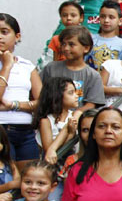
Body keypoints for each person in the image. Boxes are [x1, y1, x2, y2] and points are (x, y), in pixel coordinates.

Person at [0, 14, 43, 168]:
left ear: (17, 36)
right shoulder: (7, 65)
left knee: (29, 178)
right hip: (1, 130)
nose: (0, 37)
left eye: (4, 32)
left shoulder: (27, 65)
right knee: (7, 180)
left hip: (26, 132)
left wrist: (14, 105)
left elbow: (41, 102)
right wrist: (6, 66)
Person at [41, 26, 106, 112]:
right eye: (63, 44)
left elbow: (92, 104)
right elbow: (39, 93)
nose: (66, 48)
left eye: (71, 44)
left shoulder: (92, 75)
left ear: (86, 48)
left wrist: (75, 114)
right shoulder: (51, 68)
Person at [33, 77, 80, 164]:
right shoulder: (46, 120)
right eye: (71, 93)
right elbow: (49, 152)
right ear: (57, 96)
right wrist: (70, 134)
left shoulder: (76, 114)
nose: (76, 96)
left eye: (75, 92)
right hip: (53, 164)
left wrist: (70, 133)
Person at [86, 0, 122, 71]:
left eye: (111, 17)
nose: (106, 20)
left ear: (120, 21)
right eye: (103, 16)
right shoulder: (90, 39)